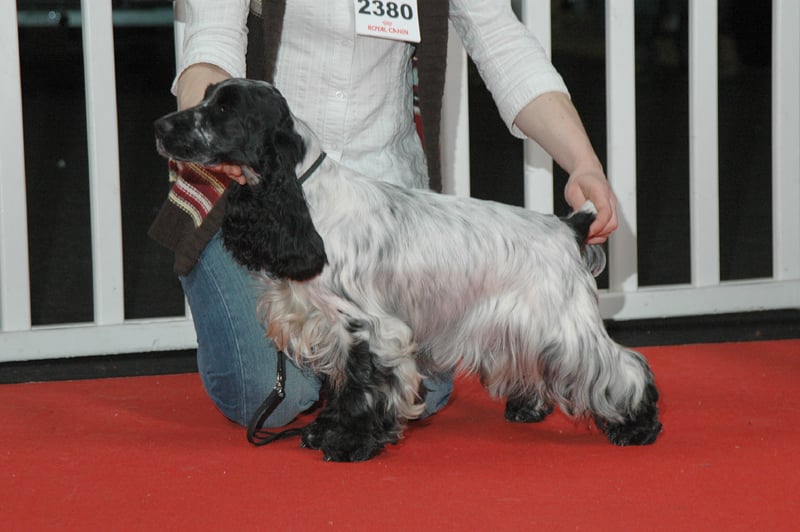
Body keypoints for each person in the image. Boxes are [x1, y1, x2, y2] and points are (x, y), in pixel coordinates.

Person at [150, 0, 619, 431]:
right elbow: (211, 41)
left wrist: (583, 163)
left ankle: (361, 367)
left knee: (410, 388)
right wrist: (209, 137)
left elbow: (502, 44)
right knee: (269, 395)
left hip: (381, 205)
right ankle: (332, 366)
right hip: (259, 188)